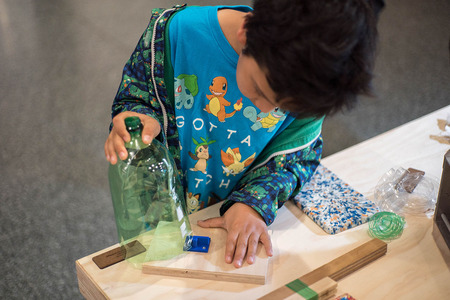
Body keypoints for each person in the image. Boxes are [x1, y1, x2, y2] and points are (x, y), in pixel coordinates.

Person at [104, 0, 384, 268]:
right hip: (160, 216)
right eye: (261, 91)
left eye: (283, 109)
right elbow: (136, 96)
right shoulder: (176, 34)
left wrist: (252, 203)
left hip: (224, 217)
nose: (265, 110)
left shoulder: (312, 86)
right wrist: (135, 118)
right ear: (246, 34)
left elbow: (296, 159)